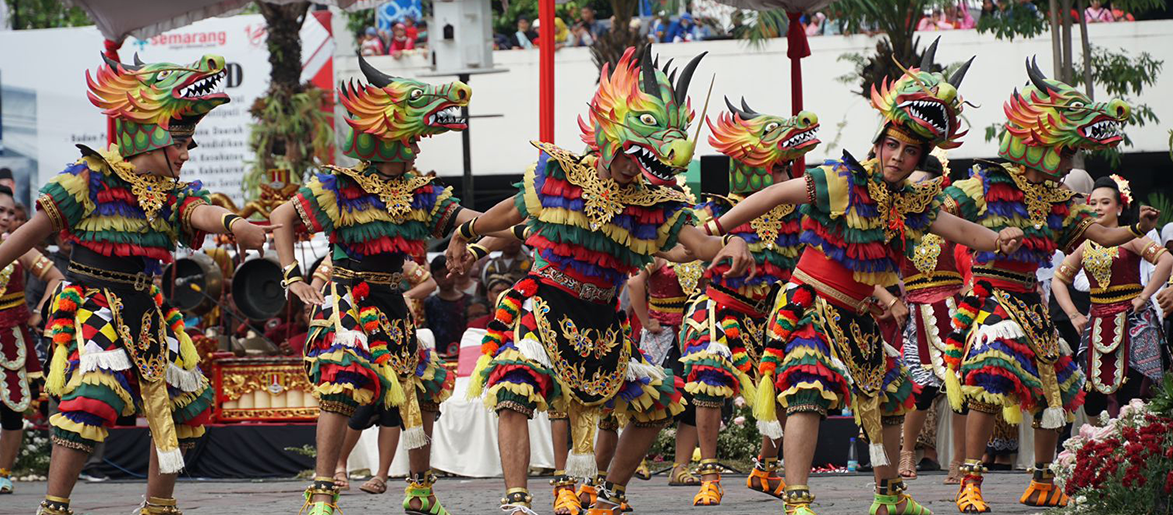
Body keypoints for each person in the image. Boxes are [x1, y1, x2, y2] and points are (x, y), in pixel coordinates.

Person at [707, 41, 1017, 515]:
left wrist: (998, 240)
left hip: (856, 315)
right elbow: (773, 194)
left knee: (893, 396)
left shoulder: (908, 201)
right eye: (891, 145)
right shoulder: (840, 181)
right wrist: (717, 229)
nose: (897, 157)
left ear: (919, 158)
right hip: (809, 305)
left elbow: (957, 228)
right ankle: (796, 500)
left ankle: (889, 497)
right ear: (877, 144)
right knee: (807, 394)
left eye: (909, 151)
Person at [446, 46, 755, 515]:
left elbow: (697, 244)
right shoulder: (558, 174)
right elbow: (505, 214)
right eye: (634, 154)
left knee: (657, 401)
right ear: (613, 135)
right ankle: (516, 500)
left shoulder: (655, 204)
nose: (637, 167)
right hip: (545, 302)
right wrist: (466, 234)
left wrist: (731, 242)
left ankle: (609, 490)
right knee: (516, 385)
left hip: (603, 317)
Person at [0, 54, 269, 515]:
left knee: (184, 400)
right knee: (94, 399)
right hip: (91, 302)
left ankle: (158, 506)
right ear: (151, 138)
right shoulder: (89, 178)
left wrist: (232, 222)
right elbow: (27, 236)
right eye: (181, 144)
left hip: (148, 307)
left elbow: (197, 214)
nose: (187, 155)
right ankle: (53, 507)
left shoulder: (173, 191)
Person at [941, 59, 1154, 513]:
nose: (1064, 160)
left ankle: (1041, 481)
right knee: (991, 377)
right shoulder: (986, 183)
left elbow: (1103, 235)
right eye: (1061, 150)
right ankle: (969, 481)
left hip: (1030, 303)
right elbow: (938, 216)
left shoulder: (1060, 199)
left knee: (1055, 386)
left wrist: (1136, 226)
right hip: (991, 298)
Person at [270, 55, 471, 515]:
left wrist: (475, 233)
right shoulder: (341, 186)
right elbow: (282, 216)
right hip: (347, 300)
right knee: (343, 386)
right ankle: (323, 492)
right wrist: (292, 276)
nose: (418, 145)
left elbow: (469, 219)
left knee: (420, 393)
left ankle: (420, 490)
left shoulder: (422, 191)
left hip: (392, 302)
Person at [678, 100, 821, 506]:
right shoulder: (716, 210)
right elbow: (690, 245)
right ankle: (708, 473)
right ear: (751, 165)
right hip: (720, 309)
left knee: (780, 384)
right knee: (709, 381)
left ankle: (765, 467)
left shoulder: (797, 215)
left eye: (784, 169)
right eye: (775, 168)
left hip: (770, 314)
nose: (782, 176)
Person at [1051, 175, 1169, 418]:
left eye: (1104, 203)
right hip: (1096, 323)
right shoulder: (1085, 246)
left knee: (1133, 397)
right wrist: (1073, 314)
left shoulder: (1132, 239)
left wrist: (1145, 296)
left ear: (1119, 207)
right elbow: (1058, 280)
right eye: (1093, 203)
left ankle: (1130, 448)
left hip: (1133, 322)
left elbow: (1166, 259)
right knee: (1092, 399)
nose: (1097, 208)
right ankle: (1093, 449)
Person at [892, 153, 969, 485]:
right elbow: (880, 259)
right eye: (913, 184)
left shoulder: (951, 213)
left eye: (924, 184)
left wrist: (970, 284)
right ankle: (907, 451)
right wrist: (888, 297)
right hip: (915, 313)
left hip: (953, 307)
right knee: (921, 390)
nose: (918, 190)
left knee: (960, 389)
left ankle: (960, 460)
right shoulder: (897, 218)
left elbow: (969, 251)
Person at [0, 184, 64, 495]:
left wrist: (39, 311)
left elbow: (56, 278)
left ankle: (3, 473)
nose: (5, 218)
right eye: (0, 211)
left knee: (12, 409)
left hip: (10, 336)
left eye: (10, 213)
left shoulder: (19, 246)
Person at [425, 255, 476, 358]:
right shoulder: (429, 303)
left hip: (465, 353)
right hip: (439, 356)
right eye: (439, 275)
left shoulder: (469, 301)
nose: (445, 279)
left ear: (455, 274)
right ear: (433, 277)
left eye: (447, 274)